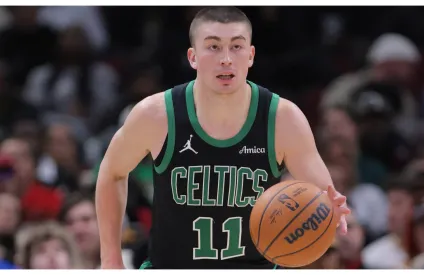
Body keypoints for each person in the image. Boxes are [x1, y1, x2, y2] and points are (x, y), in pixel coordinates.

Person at [95, 6, 350, 269]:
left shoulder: (283, 119)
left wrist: (331, 211)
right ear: (193, 57)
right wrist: (111, 260)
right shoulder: (156, 115)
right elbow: (112, 172)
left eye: (236, 47)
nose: (226, 58)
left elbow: (322, 200)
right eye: (214, 47)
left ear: (251, 55)